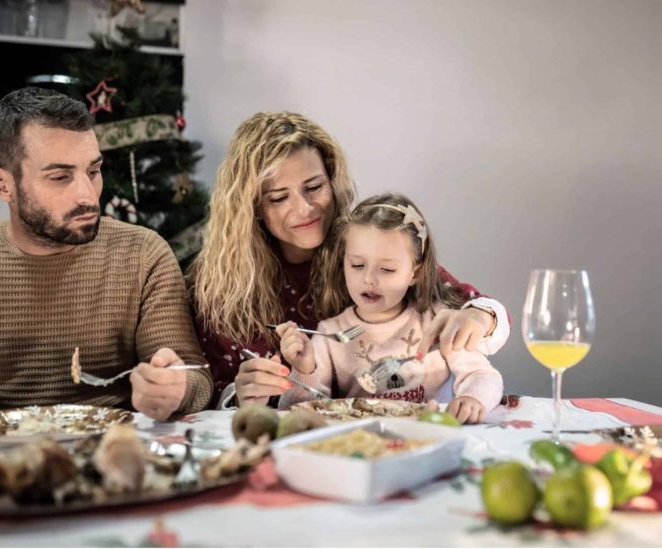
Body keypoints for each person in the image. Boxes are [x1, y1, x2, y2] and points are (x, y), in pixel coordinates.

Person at [189, 111, 509, 408]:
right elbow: (212, 390)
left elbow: (476, 307)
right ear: (252, 207)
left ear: (332, 182)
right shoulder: (223, 282)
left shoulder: (364, 243)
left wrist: (478, 319)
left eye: (314, 187)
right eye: (279, 198)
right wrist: (241, 394)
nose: (304, 209)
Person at [0, 87, 212, 420]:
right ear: (3, 184)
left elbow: (195, 378)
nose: (87, 195)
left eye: (93, 171)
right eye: (60, 177)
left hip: (113, 454)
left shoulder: (143, 254)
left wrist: (176, 387)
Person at [276, 193, 503, 423]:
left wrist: (473, 398)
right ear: (343, 262)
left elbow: (482, 375)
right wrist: (304, 370)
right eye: (357, 265)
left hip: (431, 435)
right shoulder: (329, 334)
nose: (369, 279)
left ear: (414, 271)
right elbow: (299, 414)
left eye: (386, 269)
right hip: (365, 445)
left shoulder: (436, 320)